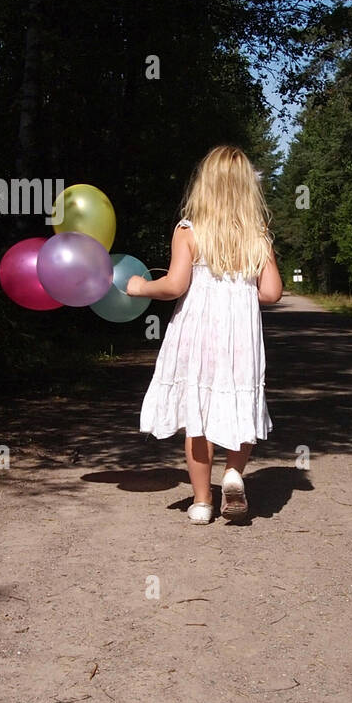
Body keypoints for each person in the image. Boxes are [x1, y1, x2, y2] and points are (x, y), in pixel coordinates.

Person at [130, 145, 283, 524]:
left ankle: (201, 502)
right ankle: (233, 472)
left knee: (198, 416)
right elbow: (272, 293)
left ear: (204, 185)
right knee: (240, 404)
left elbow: (174, 285)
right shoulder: (257, 235)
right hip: (241, 338)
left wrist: (139, 287)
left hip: (199, 335)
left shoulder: (189, 230)